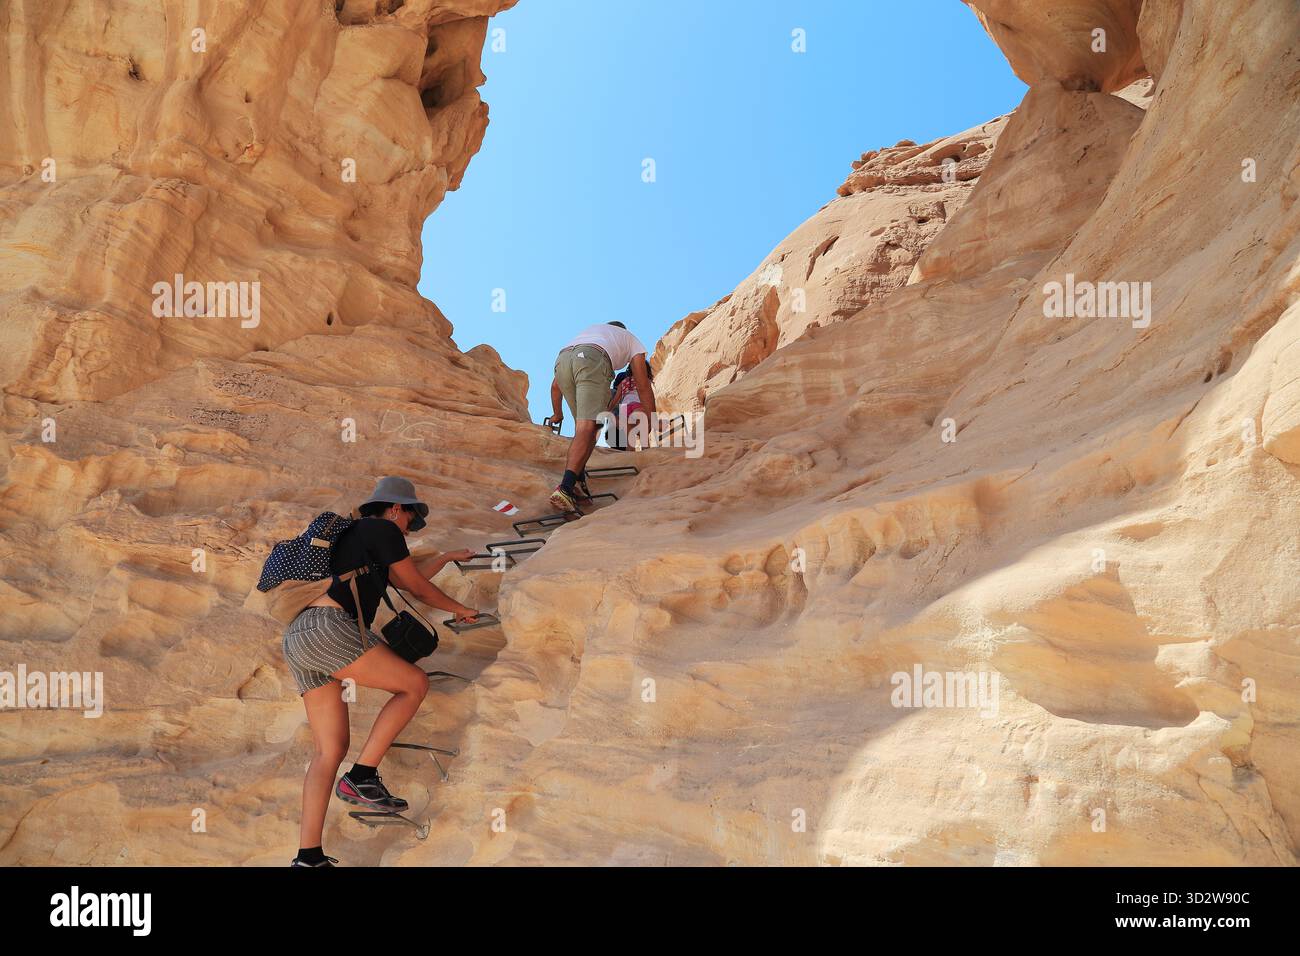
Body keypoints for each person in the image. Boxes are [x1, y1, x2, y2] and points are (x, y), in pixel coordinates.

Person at [280, 476, 479, 867]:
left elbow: (407, 575)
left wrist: (447, 556)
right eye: (410, 518)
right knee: (413, 684)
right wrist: (461, 609)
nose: (408, 528)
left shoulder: (354, 539)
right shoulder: (383, 529)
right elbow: (417, 589)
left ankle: (308, 857)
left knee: (328, 750)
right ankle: (363, 777)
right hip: (330, 629)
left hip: (299, 639)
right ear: (395, 508)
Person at [545, 321, 655, 511]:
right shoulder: (629, 339)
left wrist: (557, 413)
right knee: (589, 429)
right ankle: (565, 488)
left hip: (562, 360)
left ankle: (577, 485)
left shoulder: (591, 332)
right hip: (592, 360)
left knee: (585, 430)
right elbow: (643, 385)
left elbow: (556, 386)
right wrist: (651, 419)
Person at [608, 361, 655, 450]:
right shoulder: (645, 381)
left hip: (624, 408)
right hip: (638, 405)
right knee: (643, 432)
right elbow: (650, 398)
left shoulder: (625, 381)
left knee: (629, 439)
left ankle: (630, 458)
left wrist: (608, 410)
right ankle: (646, 454)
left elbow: (616, 399)